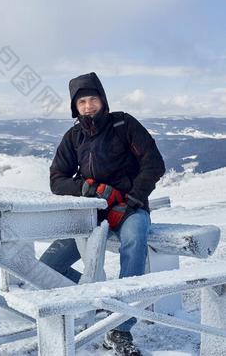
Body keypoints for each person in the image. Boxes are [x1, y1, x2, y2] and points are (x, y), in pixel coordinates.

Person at [40, 72, 166, 356]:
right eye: (81, 102)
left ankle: (120, 327)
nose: (88, 106)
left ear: (102, 99)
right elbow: (56, 179)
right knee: (47, 266)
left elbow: (154, 163)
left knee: (134, 242)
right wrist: (85, 187)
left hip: (130, 208)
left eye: (92, 99)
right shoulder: (73, 137)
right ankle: (105, 300)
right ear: (75, 107)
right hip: (92, 215)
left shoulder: (123, 124)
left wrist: (133, 198)